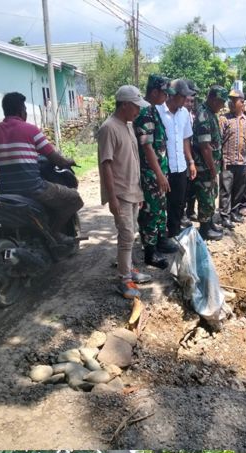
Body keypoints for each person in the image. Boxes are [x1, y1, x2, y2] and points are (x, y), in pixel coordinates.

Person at [0, 91, 83, 236]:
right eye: (25, 109)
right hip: (33, 189)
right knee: (74, 199)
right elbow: (56, 159)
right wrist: (69, 161)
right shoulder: (31, 130)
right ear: (20, 111)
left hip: (5, 192)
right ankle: (54, 234)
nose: (26, 112)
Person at [97, 85, 151, 301]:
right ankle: (123, 279)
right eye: (136, 106)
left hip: (132, 190)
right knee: (126, 235)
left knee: (132, 232)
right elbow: (106, 165)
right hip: (120, 192)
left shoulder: (127, 125)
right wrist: (112, 198)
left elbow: (132, 160)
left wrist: (138, 192)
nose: (138, 110)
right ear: (125, 105)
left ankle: (128, 268)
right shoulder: (109, 128)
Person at [134, 75, 172, 269]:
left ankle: (160, 241)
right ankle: (150, 252)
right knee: (150, 211)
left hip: (158, 171)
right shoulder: (144, 112)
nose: (167, 97)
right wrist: (159, 174)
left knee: (160, 209)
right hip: (150, 174)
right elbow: (147, 147)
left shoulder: (152, 109)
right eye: (165, 93)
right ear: (155, 92)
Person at [158, 79, 196, 237]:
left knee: (178, 204)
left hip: (180, 166)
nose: (186, 100)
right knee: (160, 205)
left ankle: (174, 234)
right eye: (183, 96)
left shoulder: (184, 113)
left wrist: (191, 161)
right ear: (173, 95)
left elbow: (185, 139)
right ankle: (159, 237)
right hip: (163, 168)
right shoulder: (158, 111)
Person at [190, 86, 225, 242]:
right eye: (221, 102)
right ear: (213, 99)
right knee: (205, 197)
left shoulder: (210, 113)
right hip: (204, 166)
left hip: (210, 165)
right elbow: (205, 147)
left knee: (211, 195)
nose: (222, 106)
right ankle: (205, 230)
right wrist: (212, 167)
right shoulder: (203, 115)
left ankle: (210, 224)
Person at [219, 91, 246, 228]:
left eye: (235, 101)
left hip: (242, 161)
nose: (231, 103)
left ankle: (234, 212)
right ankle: (224, 216)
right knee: (226, 190)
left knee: (239, 189)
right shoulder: (224, 119)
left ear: (242, 103)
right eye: (230, 100)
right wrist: (219, 160)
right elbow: (218, 141)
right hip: (227, 162)